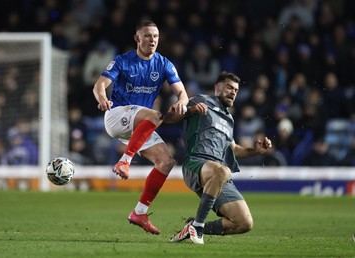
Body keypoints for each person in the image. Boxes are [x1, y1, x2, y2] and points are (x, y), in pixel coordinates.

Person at [93, 20, 189, 235]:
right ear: (137, 38)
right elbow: (100, 85)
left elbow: (181, 92)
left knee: (166, 162)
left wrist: (182, 101)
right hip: (116, 116)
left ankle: (140, 212)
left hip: (140, 125)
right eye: (147, 36)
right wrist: (102, 99)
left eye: (155, 36)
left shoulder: (164, 64)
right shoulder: (122, 61)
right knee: (156, 115)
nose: (152, 40)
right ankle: (125, 161)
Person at [165, 71, 272, 244]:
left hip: (219, 173)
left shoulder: (229, 120)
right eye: (229, 87)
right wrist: (190, 110)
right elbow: (169, 118)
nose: (233, 92)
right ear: (217, 87)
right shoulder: (200, 100)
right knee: (223, 170)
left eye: (236, 90)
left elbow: (234, 149)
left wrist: (256, 150)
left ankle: (193, 225)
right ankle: (198, 226)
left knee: (244, 223)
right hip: (195, 163)